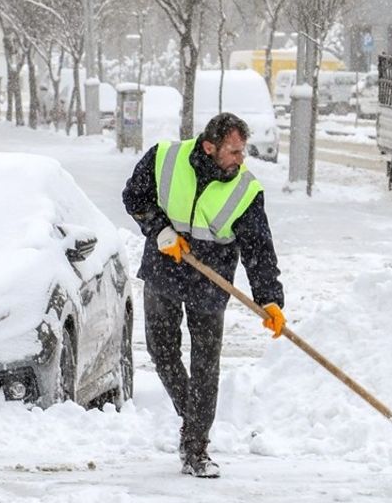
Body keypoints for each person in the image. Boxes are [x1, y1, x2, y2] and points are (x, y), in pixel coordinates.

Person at [122, 112, 286, 478]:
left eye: (243, 152)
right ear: (209, 147)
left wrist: (270, 298)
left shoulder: (245, 188)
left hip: (211, 281)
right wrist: (158, 229)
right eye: (234, 152)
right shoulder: (165, 157)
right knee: (160, 352)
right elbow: (134, 195)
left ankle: (196, 448)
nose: (240, 160)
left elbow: (259, 248)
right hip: (165, 267)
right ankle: (191, 416)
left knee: (205, 366)